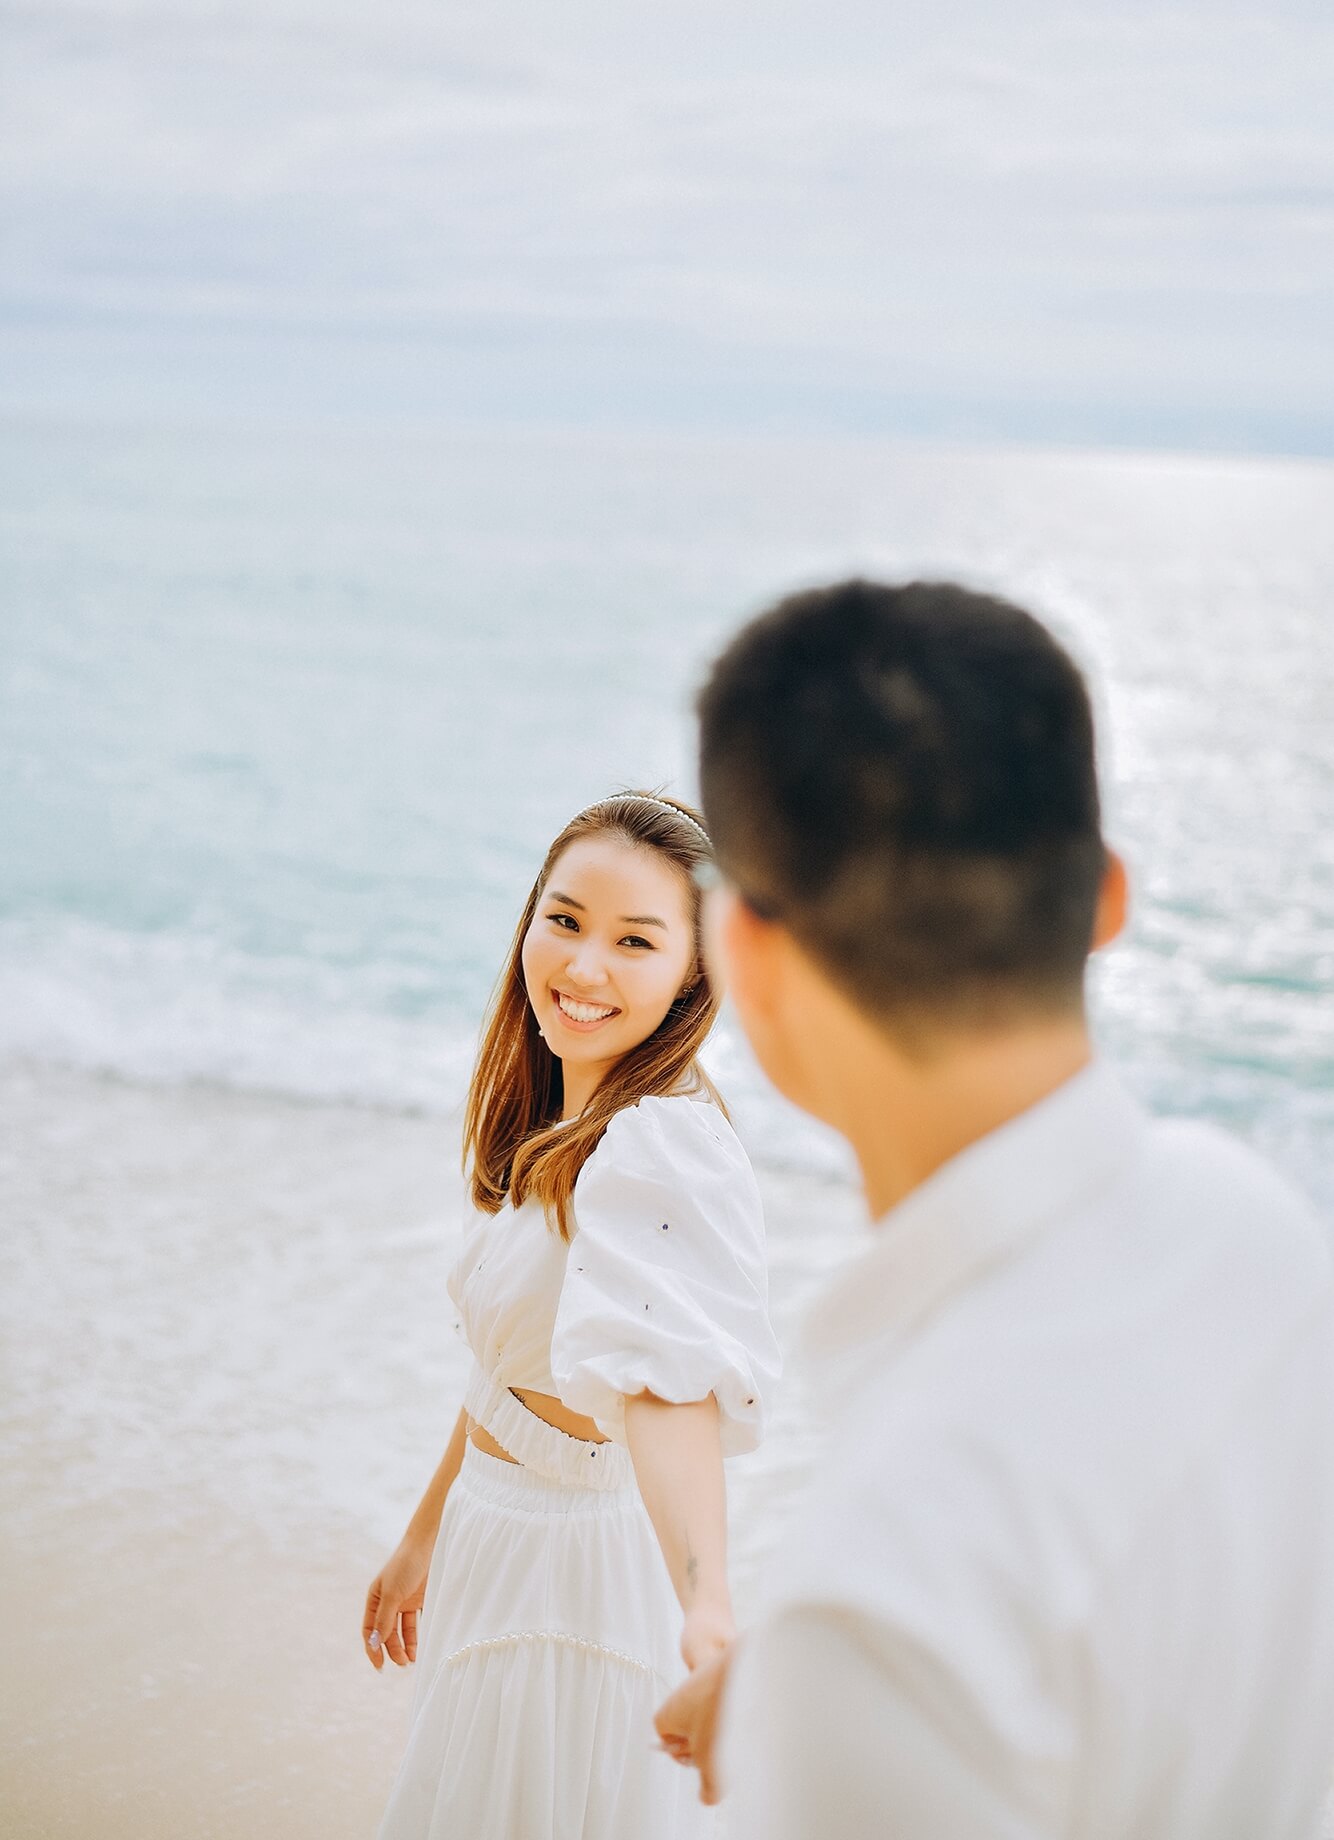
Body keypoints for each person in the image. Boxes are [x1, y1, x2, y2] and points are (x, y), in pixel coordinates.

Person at [655, 578, 1334, 1837]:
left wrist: (831, 1701)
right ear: (1107, 900)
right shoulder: (1267, 1235)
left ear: (746, 961)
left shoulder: (875, 1612)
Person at [366, 789, 781, 1840]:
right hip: (491, 1538)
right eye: (563, 919)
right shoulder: (566, 1122)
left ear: (695, 970)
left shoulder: (656, 1143)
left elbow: (664, 1379)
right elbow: (505, 1381)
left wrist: (708, 1604)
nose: (582, 966)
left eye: (634, 940)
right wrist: (422, 1536)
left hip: (569, 1582)